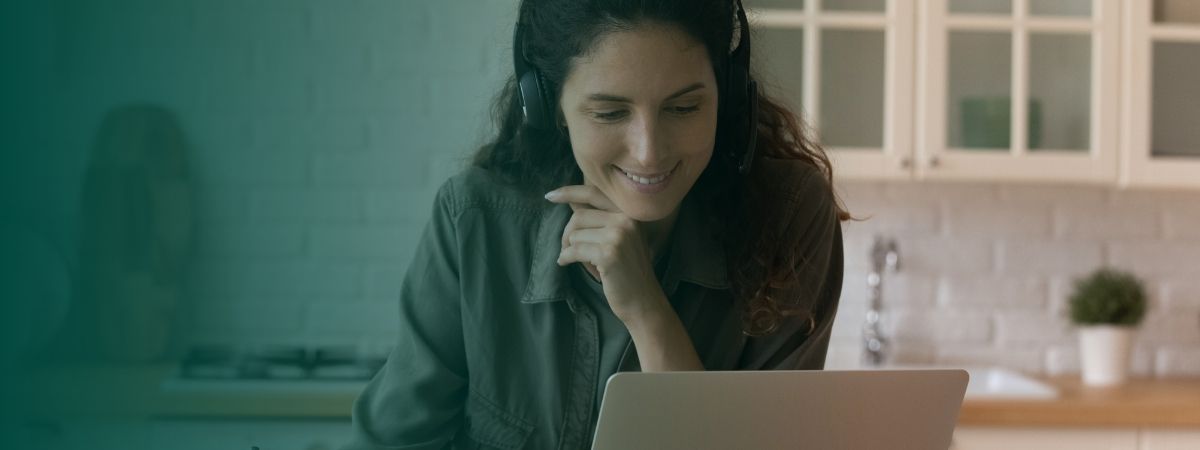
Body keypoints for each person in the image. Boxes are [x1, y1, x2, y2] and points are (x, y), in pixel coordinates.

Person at [344, 1, 848, 448]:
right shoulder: (473, 221)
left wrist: (648, 312)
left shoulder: (789, 218)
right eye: (609, 113)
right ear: (549, 107)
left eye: (685, 107)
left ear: (730, 94)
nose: (649, 152)